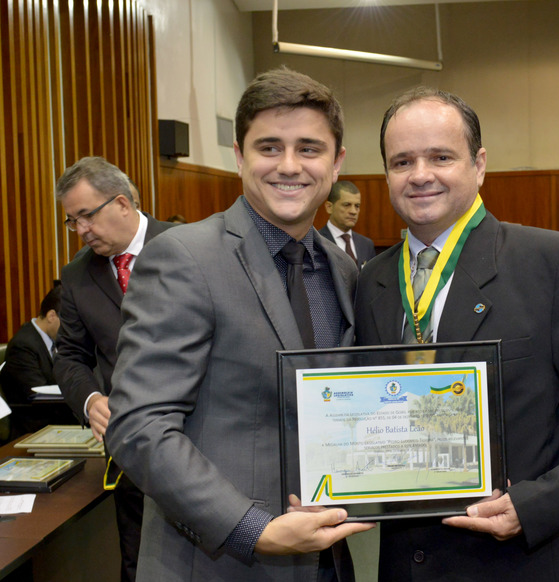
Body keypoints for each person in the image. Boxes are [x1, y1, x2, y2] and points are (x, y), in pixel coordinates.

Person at [354, 87, 559, 581]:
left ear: (479, 165)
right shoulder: (373, 280)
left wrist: (537, 503)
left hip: (519, 562)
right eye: (402, 161)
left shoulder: (552, 262)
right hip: (405, 563)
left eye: (441, 157)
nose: (420, 174)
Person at [105, 68, 373, 582]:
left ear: (336, 162)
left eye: (309, 149)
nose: (289, 165)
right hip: (218, 564)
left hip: (327, 561)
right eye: (269, 147)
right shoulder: (182, 257)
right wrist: (254, 530)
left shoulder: (343, 271)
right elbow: (139, 425)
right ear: (239, 156)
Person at [53, 156, 175, 582]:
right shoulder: (76, 275)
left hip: (201, 435)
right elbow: (69, 355)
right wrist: (90, 400)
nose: (81, 230)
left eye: (86, 215)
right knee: (138, 560)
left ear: (122, 203)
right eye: (72, 221)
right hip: (128, 447)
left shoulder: (189, 246)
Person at [0, 284, 74, 436]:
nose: (71, 330)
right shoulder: (23, 345)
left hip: (57, 420)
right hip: (34, 427)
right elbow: (40, 396)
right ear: (52, 316)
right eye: (68, 323)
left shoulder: (55, 341)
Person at [319, 180, 376, 270]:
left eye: (357, 206)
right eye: (347, 205)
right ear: (329, 207)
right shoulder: (316, 242)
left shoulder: (366, 244)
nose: (353, 211)